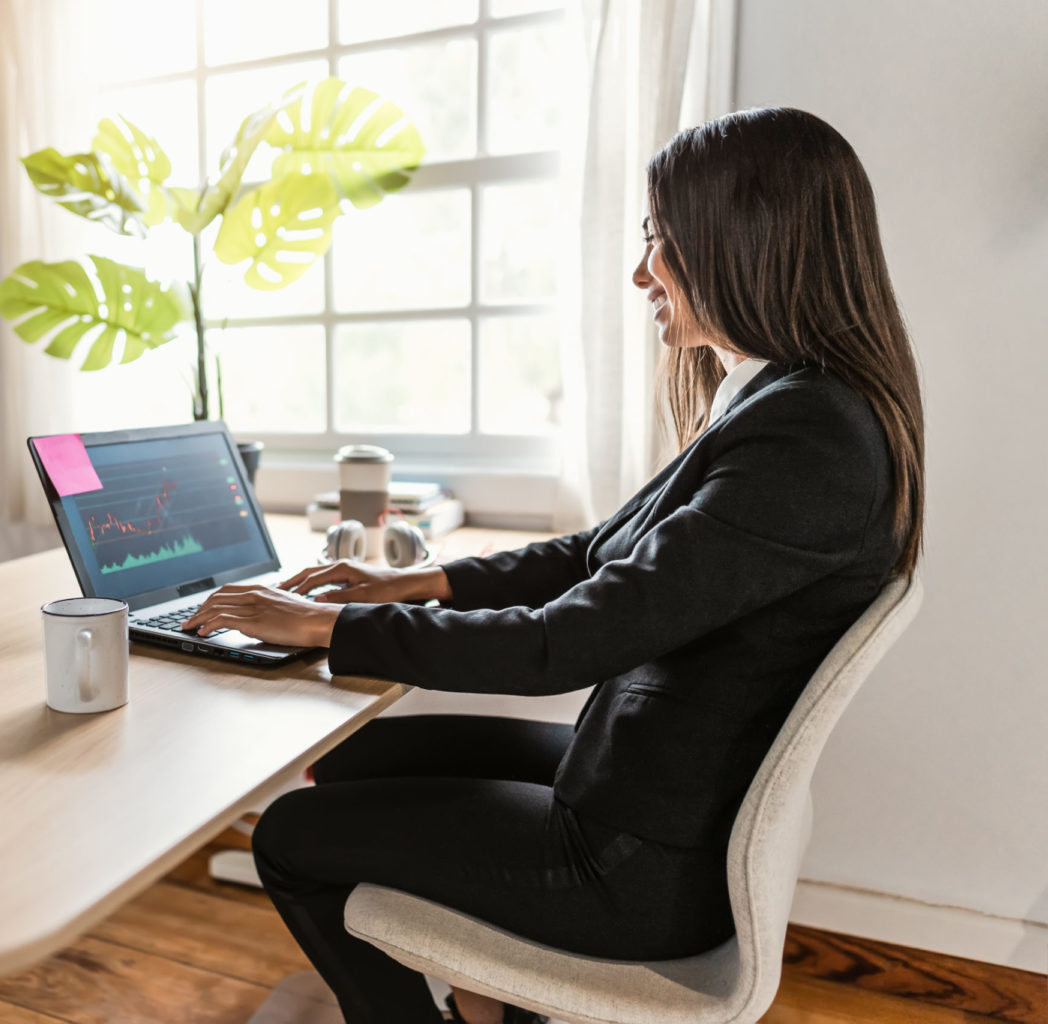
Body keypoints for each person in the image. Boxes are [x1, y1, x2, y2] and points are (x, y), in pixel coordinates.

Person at [182, 107, 925, 1024]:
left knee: (292, 835)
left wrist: (332, 628)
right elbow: (593, 553)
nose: (642, 272)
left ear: (744, 241)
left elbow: (561, 647)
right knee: (354, 757)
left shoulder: (809, 439)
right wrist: (416, 583)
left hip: (636, 861)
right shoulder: (783, 403)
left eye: (662, 241)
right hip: (642, 782)